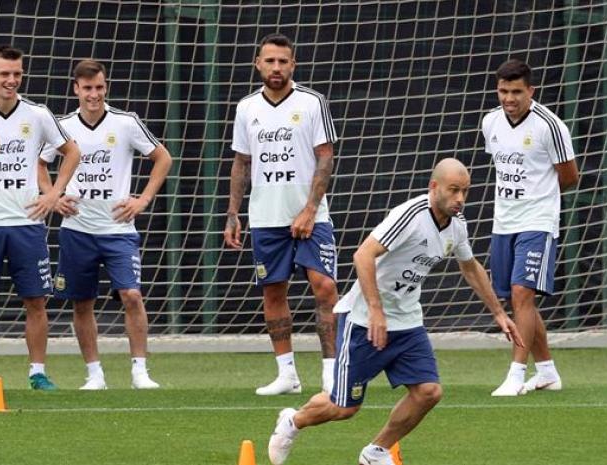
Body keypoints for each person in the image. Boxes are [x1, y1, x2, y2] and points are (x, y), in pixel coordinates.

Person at [267, 158, 523, 465]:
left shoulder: (457, 226)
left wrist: (498, 314)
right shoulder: (410, 216)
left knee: (428, 392)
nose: (460, 199)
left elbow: (470, 267)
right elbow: (362, 255)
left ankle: (375, 451)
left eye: (465, 192)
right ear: (434, 187)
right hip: (364, 320)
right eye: (454, 190)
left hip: (407, 322)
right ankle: (292, 422)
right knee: (344, 408)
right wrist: (376, 309)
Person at [0, 45, 80, 392]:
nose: (11, 80)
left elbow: (72, 152)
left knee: (36, 301)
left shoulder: (37, 115)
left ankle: (38, 372)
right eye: (4, 74)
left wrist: (53, 193)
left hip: (27, 223)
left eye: (17, 74)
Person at [44, 59, 171, 390]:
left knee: (131, 294)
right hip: (77, 229)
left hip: (118, 229)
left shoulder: (126, 123)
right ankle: (94, 374)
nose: (94, 94)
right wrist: (53, 196)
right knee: (82, 302)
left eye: (99, 87)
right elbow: (38, 163)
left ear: (105, 86)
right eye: (87, 88)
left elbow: (163, 158)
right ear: (76, 89)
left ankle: (140, 371)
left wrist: (142, 200)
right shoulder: (62, 125)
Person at [224, 33, 340, 396]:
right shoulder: (246, 108)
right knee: (273, 291)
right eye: (269, 61)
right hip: (265, 217)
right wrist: (232, 213)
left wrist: (309, 208)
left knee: (324, 287)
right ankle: (287, 373)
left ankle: (332, 371)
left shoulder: (311, 102)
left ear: (293, 64)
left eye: (283, 61)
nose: (276, 68)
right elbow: (242, 161)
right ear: (258, 64)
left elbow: (325, 155)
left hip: (311, 218)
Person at [481, 59, 580, 396]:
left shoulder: (550, 126)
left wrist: (539, 198)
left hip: (537, 221)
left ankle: (515, 373)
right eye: (503, 91)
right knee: (517, 302)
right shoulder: (490, 122)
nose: (509, 98)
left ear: (530, 91)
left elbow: (570, 176)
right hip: (503, 222)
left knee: (524, 295)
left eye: (516, 92)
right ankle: (548, 371)